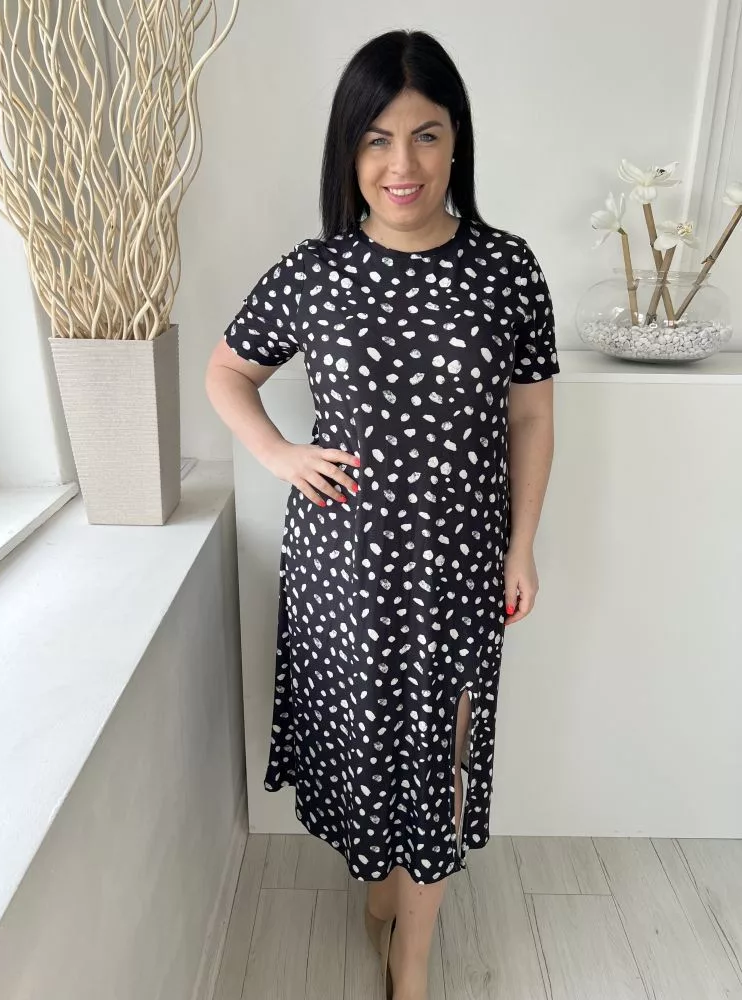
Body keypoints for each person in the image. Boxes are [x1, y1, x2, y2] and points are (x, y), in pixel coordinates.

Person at [205, 28, 559, 1000]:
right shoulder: (314, 271)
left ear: (457, 142)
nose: (402, 163)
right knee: (364, 749)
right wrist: (280, 454)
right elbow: (227, 371)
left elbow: (531, 416)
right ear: (348, 151)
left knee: (439, 756)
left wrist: (522, 546)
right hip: (344, 569)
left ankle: (414, 959)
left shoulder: (506, 267)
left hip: (459, 565)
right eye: (376, 138)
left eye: (426, 134)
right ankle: (379, 887)